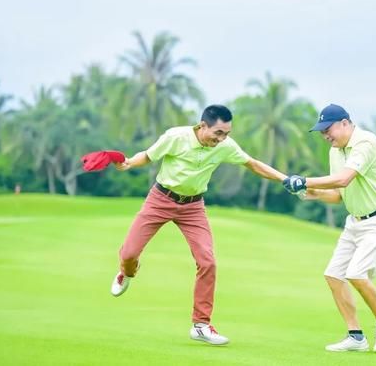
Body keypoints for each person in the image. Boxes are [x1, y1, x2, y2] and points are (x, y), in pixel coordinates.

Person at [111, 104, 287, 346]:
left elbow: (253, 164)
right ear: (202, 126)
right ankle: (126, 272)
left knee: (208, 261)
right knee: (129, 253)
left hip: (193, 207)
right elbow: (149, 156)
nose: (223, 139)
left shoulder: (225, 146)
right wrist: (129, 163)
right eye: (218, 133)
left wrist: (285, 179)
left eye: (226, 133)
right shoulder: (176, 137)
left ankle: (201, 325)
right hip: (160, 199)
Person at [284, 104, 376, 353]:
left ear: (345, 123)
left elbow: (344, 178)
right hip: (355, 221)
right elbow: (338, 194)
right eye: (322, 132)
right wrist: (309, 192)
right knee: (334, 275)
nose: (326, 135)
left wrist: (304, 179)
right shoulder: (335, 151)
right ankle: (356, 336)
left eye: (329, 129)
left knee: (356, 273)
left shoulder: (365, 142)